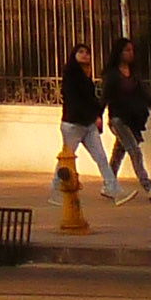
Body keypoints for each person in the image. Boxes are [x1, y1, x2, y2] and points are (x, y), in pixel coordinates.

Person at [103, 36, 151, 203]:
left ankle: (108, 183)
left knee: (119, 152)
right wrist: (97, 117)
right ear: (119, 53)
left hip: (131, 119)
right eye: (127, 50)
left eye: (132, 50)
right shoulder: (113, 75)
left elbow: (144, 94)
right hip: (118, 119)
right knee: (134, 150)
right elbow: (105, 98)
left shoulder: (133, 75)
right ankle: (148, 186)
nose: (131, 53)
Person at [58, 43, 118, 195]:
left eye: (87, 52)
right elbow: (75, 101)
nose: (85, 55)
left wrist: (96, 115)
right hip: (73, 124)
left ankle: (113, 188)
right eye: (81, 52)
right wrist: (92, 115)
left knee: (101, 157)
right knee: (66, 159)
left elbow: (91, 99)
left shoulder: (86, 76)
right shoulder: (71, 75)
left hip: (88, 124)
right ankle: (57, 188)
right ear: (74, 55)